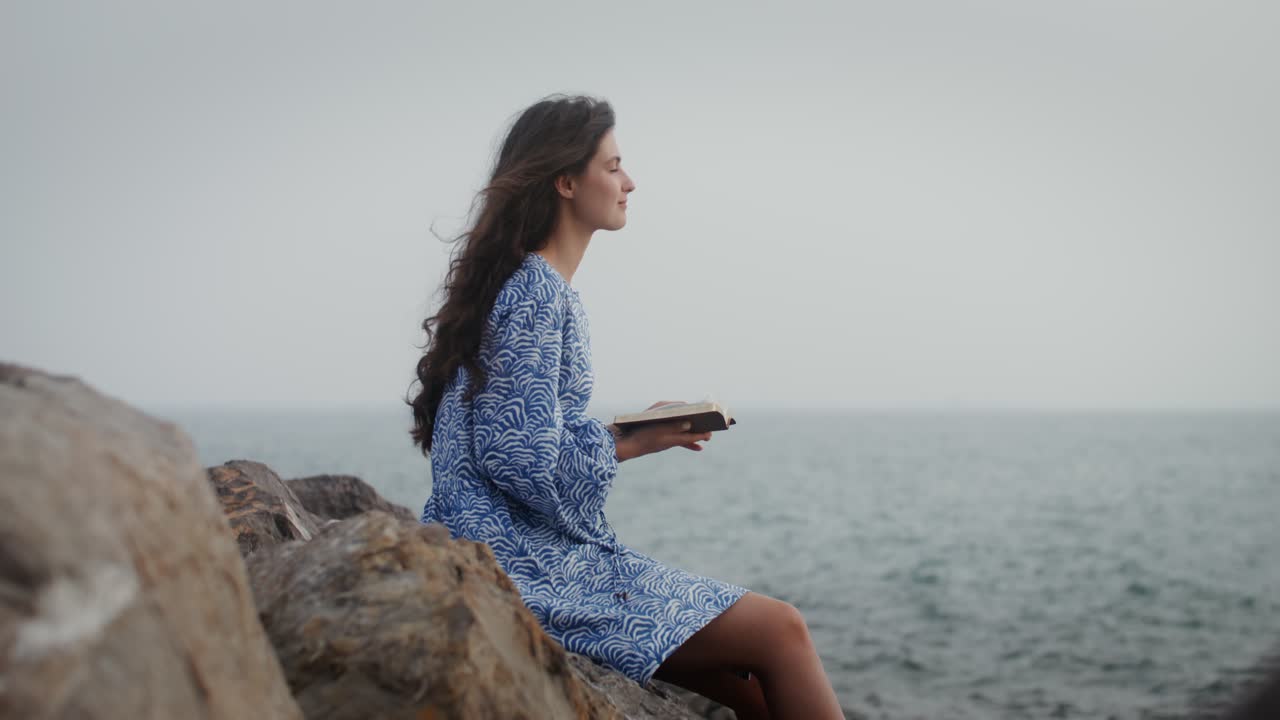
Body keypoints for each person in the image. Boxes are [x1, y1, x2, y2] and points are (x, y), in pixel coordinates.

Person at [407, 93, 844, 719]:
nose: (629, 182)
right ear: (564, 181)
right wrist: (622, 436)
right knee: (782, 632)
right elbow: (520, 461)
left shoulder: (528, 286)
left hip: (515, 549)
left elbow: (521, 442)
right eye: (612, 166)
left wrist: (637, 433)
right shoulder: (535, 293)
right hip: (520, 567)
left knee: (757, 691)